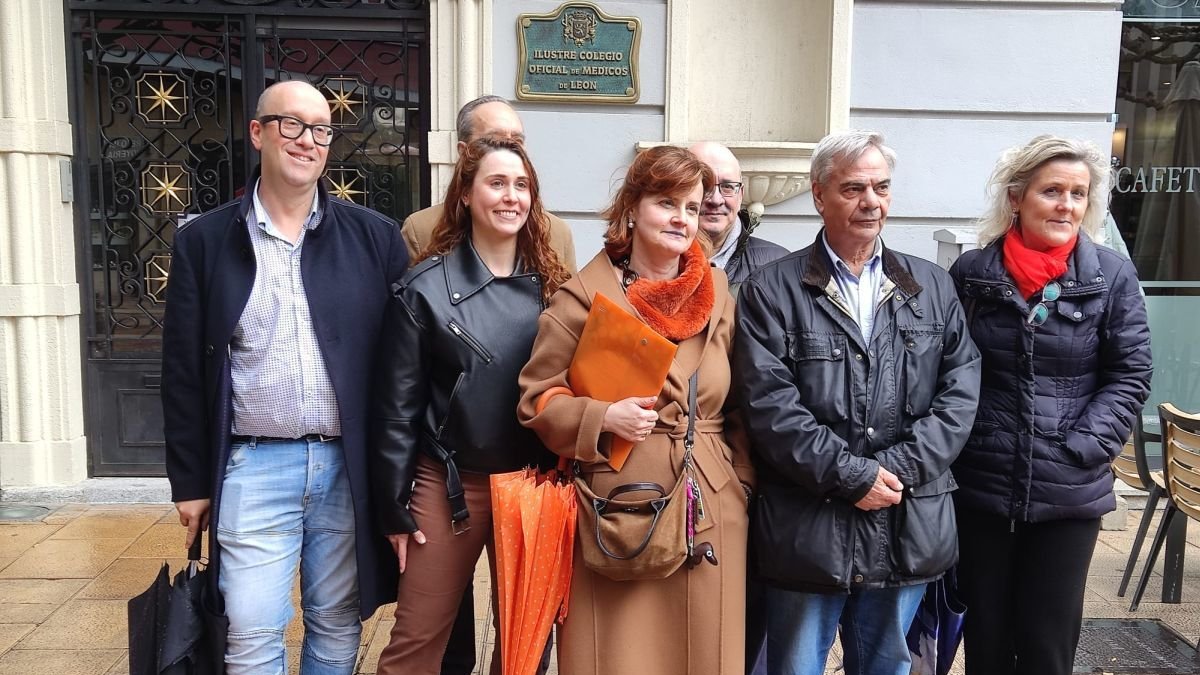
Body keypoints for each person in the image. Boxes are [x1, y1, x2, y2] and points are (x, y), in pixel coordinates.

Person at [161, 80, 406, 674]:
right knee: (248, 628)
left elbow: (403, 371)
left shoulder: (375, 238)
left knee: (337, 620)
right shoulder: (205, 241)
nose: (308, 141)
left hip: (346, 468)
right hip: (252, 464)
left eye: (321, 129)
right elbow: (184, 372)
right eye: (292, 125)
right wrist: (190, 482)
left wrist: (398, 484)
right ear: (258, 133)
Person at [733, 129, 981, 675]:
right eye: (853, 188)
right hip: (808, 529)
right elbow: (769, 406)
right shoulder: (772, 289)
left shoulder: (932, 286)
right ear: (819, 195)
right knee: (794, 666)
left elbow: (960, 394)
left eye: (881, 187)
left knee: (887, 666)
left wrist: (889, 473)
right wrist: (851, 476)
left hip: (905, 521)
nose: (871, 201)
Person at [517, 146, 754, 675]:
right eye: (666, 202)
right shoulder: (582, 299)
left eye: (691, 208)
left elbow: (744, 403)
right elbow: (538, 400)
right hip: (619, 511)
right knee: (621, 657)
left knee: (704, 655)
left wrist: (739, 482)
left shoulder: (717, 292)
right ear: (632, 208)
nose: (681, 219)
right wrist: (602, 418)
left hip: (709, 508)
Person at [948, 136, 1152, 675]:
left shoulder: (1110, 276)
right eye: (1052, 191)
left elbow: (1130, 374)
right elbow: (945, 371)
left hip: (1068, 490)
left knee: (1047, 643)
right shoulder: (972, 275)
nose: (1066, 205)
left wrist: (1084, 447)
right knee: (986, 638)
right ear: (1017, 198)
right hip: (983, 485)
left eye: (1078, 194)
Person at [371, 134, 569, 675]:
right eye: (497, 183)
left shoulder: (557, 288)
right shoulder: (424, 290)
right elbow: (395, 411)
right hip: (448, 485)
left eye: (522, 185)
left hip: (533, 484)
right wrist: (393, 505)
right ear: (464, 194)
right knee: (416, 642)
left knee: (525, 650)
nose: (511, 197)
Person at [403, 95, 577, 273]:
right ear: (464, 152)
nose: (508, 148)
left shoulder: (556, 234)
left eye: (517, 141)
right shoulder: (422, 231)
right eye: (494, 140)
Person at [689, 141, 788, 290]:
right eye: (703, 185)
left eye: (727, 187)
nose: (716, 200)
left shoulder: (779, 265)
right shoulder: (655, 262)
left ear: (740, 194)